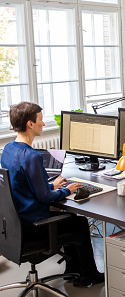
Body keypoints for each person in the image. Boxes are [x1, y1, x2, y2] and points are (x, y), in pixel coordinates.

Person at [1, 102, 104, 287]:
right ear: (30, 124)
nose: (44, 124)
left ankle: (72, 271)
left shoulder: (8, 149)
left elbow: (22, 184)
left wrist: (50, 184)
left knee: (69, 219)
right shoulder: (32, 156)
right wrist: (67, 189)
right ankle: (89, 275)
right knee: (78, 222)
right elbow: (45, 198)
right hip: (33, 228)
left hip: (15, 226)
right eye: (41, 119)